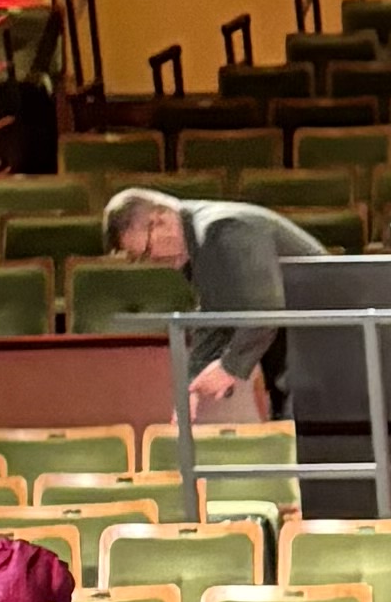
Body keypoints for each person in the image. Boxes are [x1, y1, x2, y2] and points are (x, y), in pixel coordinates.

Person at [99, 180, 326, 421]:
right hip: (300, 358)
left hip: (328, 349)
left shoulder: (222, 229)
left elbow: (265, 311)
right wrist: (190, 389)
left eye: (146, 251)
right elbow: (213, 319)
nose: (152, 261)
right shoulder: (199, 245)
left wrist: (228, 367)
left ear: (161, 219)